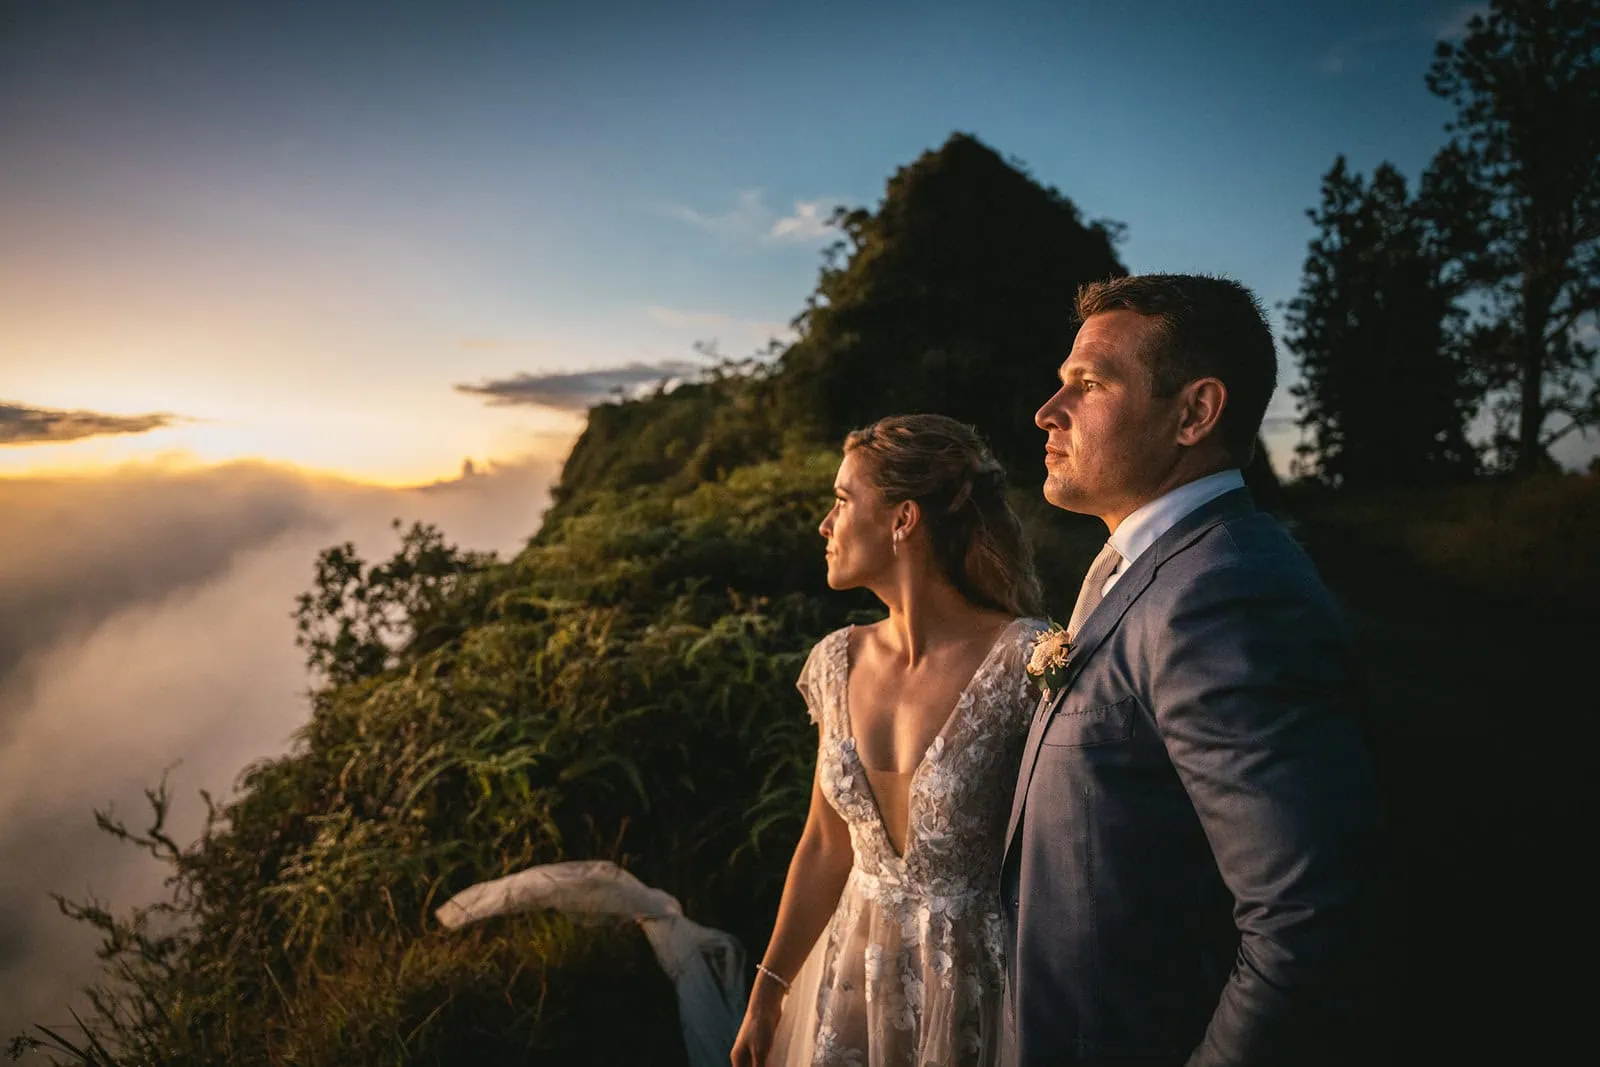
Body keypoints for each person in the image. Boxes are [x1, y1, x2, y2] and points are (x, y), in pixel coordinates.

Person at [999, 274, 1386, 1067]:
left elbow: (1306, 924)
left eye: (1089, 383)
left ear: (1195, 412)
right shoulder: (1138, 568)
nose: (1048, 410)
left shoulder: (1224, 591)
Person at [732, 414, 1048, 1067]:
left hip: (982, 994)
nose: (826, 523)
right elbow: (824, 844)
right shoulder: (833, 661)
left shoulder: (1026, 660)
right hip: (852, 982)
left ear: (903, 519)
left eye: (843, 500)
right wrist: (768, 990)